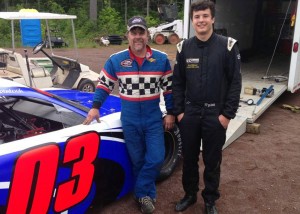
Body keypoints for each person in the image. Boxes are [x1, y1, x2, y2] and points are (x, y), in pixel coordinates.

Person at [83, 16, 175, 214]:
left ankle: (140, 191)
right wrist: (95, 106)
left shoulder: (161, 59)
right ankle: (147, 197)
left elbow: (169, 89)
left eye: (141, 32)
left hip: (152, 119)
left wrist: (171, 113)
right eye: (134, 33)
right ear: (128, 35)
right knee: (138, 160)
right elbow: (104, 84)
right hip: (130, 119)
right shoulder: (116, 60)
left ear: (147, 35)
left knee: (157, 157)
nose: (138, 37)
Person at [172, 1, 241, 214]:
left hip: (215, 115)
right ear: (192, 21)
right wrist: (180, 112)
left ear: (212, 19)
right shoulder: (184, 48)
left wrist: (226, 115)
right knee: (189, 159)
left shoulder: (227, 46)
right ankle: (190, 195)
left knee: (212, 161)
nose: (200, 20)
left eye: (204, 16)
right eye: (197, 17)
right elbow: (178, 83)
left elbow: (235, 83)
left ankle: (210, 200)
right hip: (190, 114)